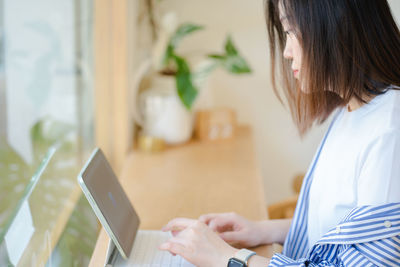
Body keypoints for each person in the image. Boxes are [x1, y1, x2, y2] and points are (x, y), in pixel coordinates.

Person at [159, 0, 400, 266]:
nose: (286, 51)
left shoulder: (389, 131)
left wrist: (230, 259)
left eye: (290, 31)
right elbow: (339, 234)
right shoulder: (354, 110)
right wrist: (262, 230)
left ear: (335, 24)